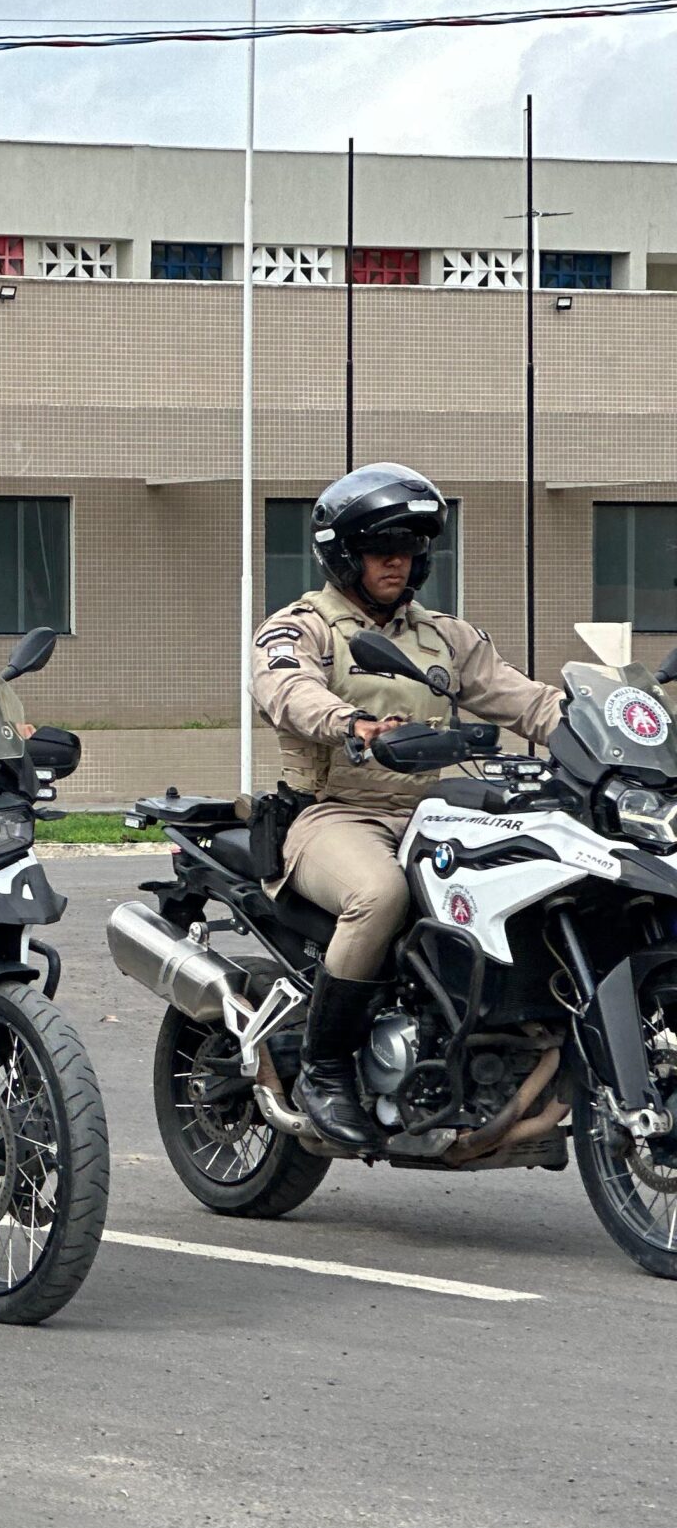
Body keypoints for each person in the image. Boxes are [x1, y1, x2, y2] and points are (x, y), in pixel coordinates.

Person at [250, 462, 564, 1148]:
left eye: (410, 546)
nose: (398, 559)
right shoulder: (301, 629)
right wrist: (353, 724)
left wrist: (616, 732)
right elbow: (287, 692)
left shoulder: (444, 637)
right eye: (380, 547)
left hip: (434, 814)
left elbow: (526, 700)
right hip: (333, 814)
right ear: (344, 554)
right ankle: (325, 1069)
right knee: (379, 893)